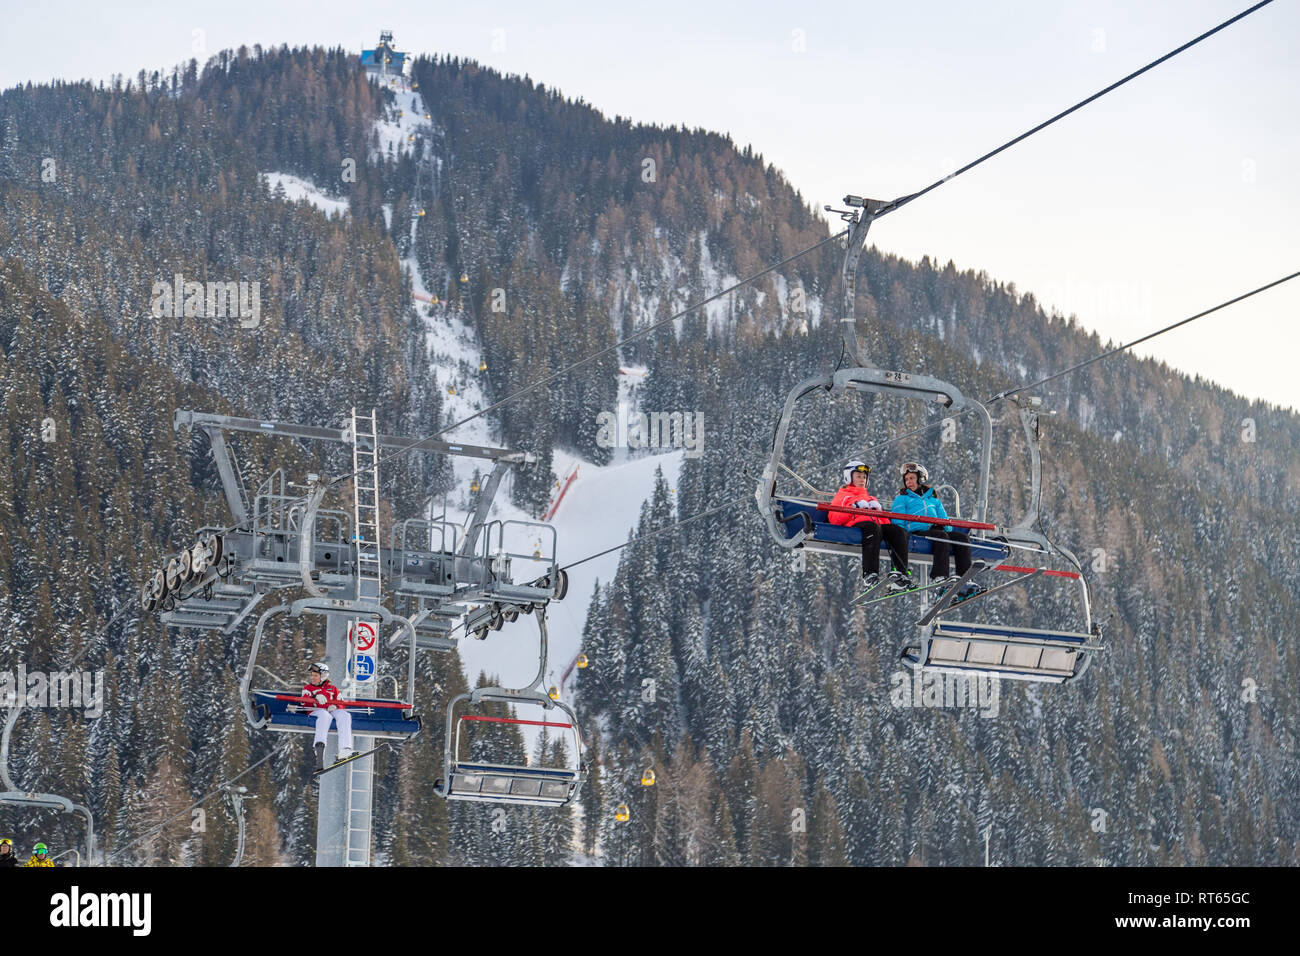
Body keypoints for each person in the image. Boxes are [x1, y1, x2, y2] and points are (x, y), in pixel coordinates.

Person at [890, 462, 985, 599]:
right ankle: (939, 577)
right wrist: (909, 530)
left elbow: (946, 522)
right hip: (917, 531)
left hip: (936, 530)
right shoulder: (902, 499)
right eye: (906, 479)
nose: (908, 482)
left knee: (962, 539)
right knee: (940, 536)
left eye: (911, 478)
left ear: (920, 478)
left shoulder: (934, 500)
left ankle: (964, 580)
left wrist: (942, 526)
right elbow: (898, 521)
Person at [829, 460, 911, 593]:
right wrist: (854, 507)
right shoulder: (844, 495)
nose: (862, 479)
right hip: (856, 525)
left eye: (864, 477)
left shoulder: (870, 498)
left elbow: (884, 522)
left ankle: (900, 574)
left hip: (874, 527)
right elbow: (834, 518)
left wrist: (880, 512)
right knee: (872, 527)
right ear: (849, 477)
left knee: (898, 531)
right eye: (858, 476)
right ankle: (870, 574)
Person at [303, 661, 353, 771]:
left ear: (323, 676)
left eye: (315, 675)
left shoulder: (333, 689)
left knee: (345, 715)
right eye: (312, 675)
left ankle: (345, 749)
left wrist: (336, 706)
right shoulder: (308, 688)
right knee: (325, 716)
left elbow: (341, 702)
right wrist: (315, 697)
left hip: (330, 710)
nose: (313, 678)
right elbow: (304, 702)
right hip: (316, 711)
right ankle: (319, 747)